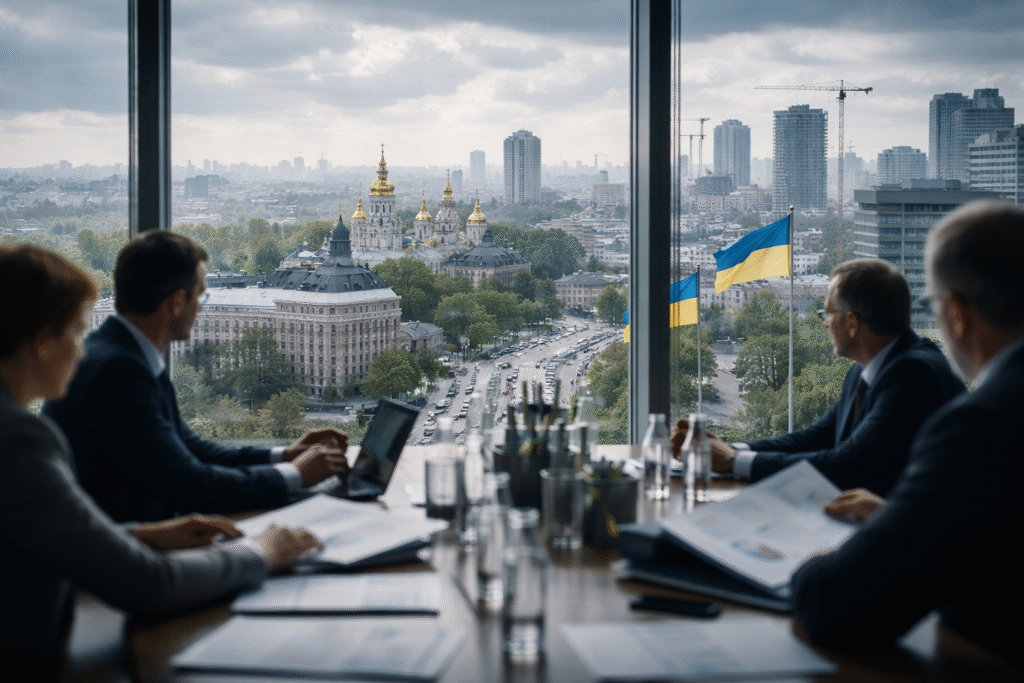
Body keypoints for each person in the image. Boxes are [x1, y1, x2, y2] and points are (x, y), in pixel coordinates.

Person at [0, 244, 323, 682]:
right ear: (41, 343)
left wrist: (140, 535)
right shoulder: (17, 440)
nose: (81, 352)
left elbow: (28, 530)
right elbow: (148, 585)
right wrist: (260, 552)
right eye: (75, 332)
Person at [792, 201, 1024, 662]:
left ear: (955, 312)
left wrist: (799, 566)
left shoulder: (982, 423)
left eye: (932, 305)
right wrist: (900, 520)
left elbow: (834, 606)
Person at [43, 230, 349, 522]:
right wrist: (296, 475)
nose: (200, 308)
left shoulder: (125, 354)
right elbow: (190, 486)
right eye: (199, 297)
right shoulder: (118, 372)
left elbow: (192, 449)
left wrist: (285, 455)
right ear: (177, 301)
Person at [672, 259, 964, 496]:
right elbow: (819, 437)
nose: (825, 324)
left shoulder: (914, 377)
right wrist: (727, 449)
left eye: (828, 315)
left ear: (851, 323)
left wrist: (733, 462)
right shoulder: (873, 366)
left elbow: (848, 465)